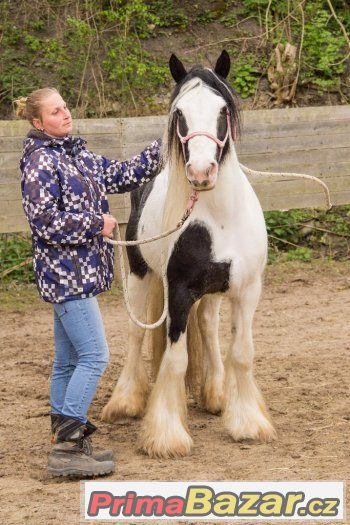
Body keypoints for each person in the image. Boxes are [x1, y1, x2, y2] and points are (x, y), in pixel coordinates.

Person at [15, 87, 162, 478]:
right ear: (36, 122)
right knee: (95, 356)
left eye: (65, 107)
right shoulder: (41, 163)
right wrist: (99, 224)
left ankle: (68, 442)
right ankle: (67, 446)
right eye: (54, 111)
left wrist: (165, 146)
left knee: (67, 361)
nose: (65, 114)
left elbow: (120, 174)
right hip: (66, 276)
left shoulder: (74, 153)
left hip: (76, 274)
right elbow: (43, 221)